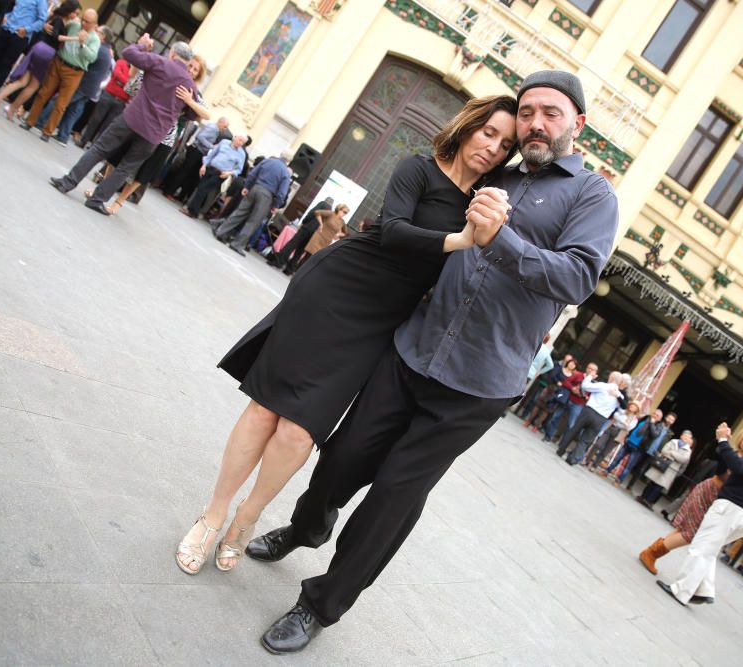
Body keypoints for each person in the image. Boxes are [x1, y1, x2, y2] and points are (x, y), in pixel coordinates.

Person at [247, 70, 620, 653]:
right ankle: (307, 526)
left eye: (550, 112)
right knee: (342, 457)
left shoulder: (592, 195)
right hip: (413, 347)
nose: (535, 124)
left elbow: (576, 278)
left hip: (478, 382)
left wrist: (502, 237)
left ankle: (319, 606)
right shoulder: (498, 170)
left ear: (578, 122)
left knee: (394, 496)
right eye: (527, 113)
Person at [172, 95, 518, 581]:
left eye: (505, 145)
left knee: (300, 429)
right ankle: (213, 515)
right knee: (265, 407)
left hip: (379, 323)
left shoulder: (479, 205)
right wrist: (462, 240)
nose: (493, 148)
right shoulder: (419, 169)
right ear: (468, 127)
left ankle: (246, 519)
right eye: (488, 133)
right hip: (337, 288)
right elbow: (395, 232)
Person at [49, 35, 205, 215]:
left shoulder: (159, 62)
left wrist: (142, 45)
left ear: (172, 53)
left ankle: (68, 182)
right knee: (126, 168)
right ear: (187, 61)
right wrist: (186, 102)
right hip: (153, 134)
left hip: (132, 119)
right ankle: (97, 200)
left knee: (99, 149)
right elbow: (193, 114)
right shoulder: (189, 85)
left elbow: (128, 53)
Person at [656, 422, 743, 606]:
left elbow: (738, 466)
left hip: (733, 510)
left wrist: (722, 440)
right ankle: (704, 590)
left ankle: (681, 590)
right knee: (709, 550)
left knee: (701, 548)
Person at [638, 428, 743, 574]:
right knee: (691, 533)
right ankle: (651, 553)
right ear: (740, 439)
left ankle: (651, 552)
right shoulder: (735, 457)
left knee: (685, 530)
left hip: (719, 499)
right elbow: (723, 473)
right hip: (709, 493)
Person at [102, 56, 209, 215]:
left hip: (166, 136)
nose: (191, 71)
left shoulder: (193, 92)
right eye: (190, 66)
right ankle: (101, 191)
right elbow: (135, 88)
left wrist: (189, 101)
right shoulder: (168, 75)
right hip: (144, 124)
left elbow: (207, 114)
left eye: (195, 70)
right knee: (117, 156)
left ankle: (119, 202)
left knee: (145, 172)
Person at [0, 0, 81, 121]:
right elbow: (56, 36)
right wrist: (75, 38)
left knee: (23, 81)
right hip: (46, 52)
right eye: (75, 13)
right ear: (69, 11)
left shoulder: (57, 18)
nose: (76, 16)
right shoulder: (59, 20)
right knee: (32, 86)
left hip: (39, 48)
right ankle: (11, 108)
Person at [23, 7, 100, 140]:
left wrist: (82, 44)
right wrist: (47, 25)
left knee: (61, 104)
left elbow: (92, 58)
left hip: (75, 71)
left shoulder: (94, 39)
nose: (83, 23)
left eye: (87, 22)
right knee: (43, 93)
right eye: (83, 20)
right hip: (59, 62)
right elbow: (59, 27)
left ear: (94, 24)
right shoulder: (74, 25)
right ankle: (30, 121)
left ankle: (47, 132)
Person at [33, 24, 113, 144]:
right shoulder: (107, 52)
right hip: (91, 88)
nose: (94, 32)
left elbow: (84, 61)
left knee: (58, 101)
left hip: (82, 84)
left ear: (103, 36)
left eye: (97, 31)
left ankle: (40, 122)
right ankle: (63, 136)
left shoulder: (99, 49)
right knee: (74, 110)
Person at [212, 153, 292, 255]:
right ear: (289, 161)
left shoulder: (267, 161)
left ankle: (220, 231)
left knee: (239, 212)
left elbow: (253, 173)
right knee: (254, 221)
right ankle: (237, 244)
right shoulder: (285, 172)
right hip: (267, 196)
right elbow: (282, 192)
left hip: (255, 188)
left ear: (281, 155)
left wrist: (247, 186)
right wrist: (276, 205)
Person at [0, 0, 47, 96]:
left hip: (20, 35)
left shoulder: (41, 1)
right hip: (7, 28)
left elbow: (42, 20)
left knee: (6, 63)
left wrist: (27, 29)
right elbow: (13, 8)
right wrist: (6, 16)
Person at [558, 371, 627, 464]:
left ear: (612, 378)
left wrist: (589, 377)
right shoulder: (620, 396)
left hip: (589, 411)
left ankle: (561, 450)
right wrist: (617, 398)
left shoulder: (603, 386)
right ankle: (572, 459)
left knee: (574, 430)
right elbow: (622, 411)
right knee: (586, 440)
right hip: (601, 419)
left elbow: (585, 386)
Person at [163, 116, 232, 202]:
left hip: (198, 151)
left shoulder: (215, 128)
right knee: (183, 172)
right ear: (220, 122)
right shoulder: (213, 128)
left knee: (186, 172)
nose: (225, 129)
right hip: (196, 151)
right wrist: (211, 146)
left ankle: (172, 191)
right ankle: (169, 191)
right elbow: (200, 136)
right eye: (225, 126)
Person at [182, 132, 248, 218]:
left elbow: (239, 169)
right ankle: (194, 211)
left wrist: (229, 173)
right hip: (210, 168)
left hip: (221, 174)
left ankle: (192, 210)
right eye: (240, 140)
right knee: (201, 188)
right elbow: (212, 154)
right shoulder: (224, 142)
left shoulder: (241, 154)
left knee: (203, 188)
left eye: (243, 142)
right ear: (235, 137)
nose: (240, 143)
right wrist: (204, 165)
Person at [266, 197, 334, 272]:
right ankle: (289, 269)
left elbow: (312, 213)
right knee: (300, 250)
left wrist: (304, 221)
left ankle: (279, 262)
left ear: (326, 201)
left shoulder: (322, 203)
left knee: (292, 244)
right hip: (315, 233)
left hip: (308, 227)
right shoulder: (330, 213)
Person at [77, 55, 131, 146]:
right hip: (109, 95)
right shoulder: (121, 62)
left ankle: (96, 145)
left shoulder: (139, 74)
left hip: (121, 101)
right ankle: (84, 140)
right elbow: (117, 74)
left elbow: (133, 89)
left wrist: (122, 82)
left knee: (107, 125)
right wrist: (128, 83)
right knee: (95, 119)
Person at [636, 430, 692, 509]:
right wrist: (676, 456)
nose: (686, 438)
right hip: (662, 464)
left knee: (659, 486)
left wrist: (672, 452)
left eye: (688, 438)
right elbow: (664, 451)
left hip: (671, 469)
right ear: (681, 436)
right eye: (685, 436)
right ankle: (642, 497)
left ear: (690, 439)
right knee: (653, 482)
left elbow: (683, 459)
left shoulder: (688, 450)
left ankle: (648, 501)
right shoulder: (673, 441)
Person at [596, 406, 658, 478]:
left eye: (657, 415)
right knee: (617, 458)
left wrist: (652, 423)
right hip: (630, 441)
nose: (655, 416)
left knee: (629, 465)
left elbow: (654, 435)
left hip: (638, 447)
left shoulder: (657, 426)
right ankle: (607, 471)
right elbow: (634, 426)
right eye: (654, 413)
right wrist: (627, 436)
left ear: (659, 418)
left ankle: (619, 480)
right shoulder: (645, 418)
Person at [623, 410, 676, 490]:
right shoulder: (657, 423)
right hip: (645, 446)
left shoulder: (670, 433)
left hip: (654, 452)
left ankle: (630, 486)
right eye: (669, 418)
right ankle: (622, 477)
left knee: (642, 469)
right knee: (633, 462)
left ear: (673, 422)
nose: (669, 420)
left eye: (672, 420)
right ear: (665, 417)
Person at [543, 360, 594, 442]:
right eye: (589, 368)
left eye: (593, 370)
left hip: (578, 404)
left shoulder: (594, 383)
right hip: (568, 399)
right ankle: (548, 437)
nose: (590, 370)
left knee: (571, 424)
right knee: (556, 417)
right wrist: (572, 388)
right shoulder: (578, 375)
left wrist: (586, 396)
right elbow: (566, 382)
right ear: (587, 368)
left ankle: (562, 444)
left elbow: (592, 396)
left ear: (595, 372)